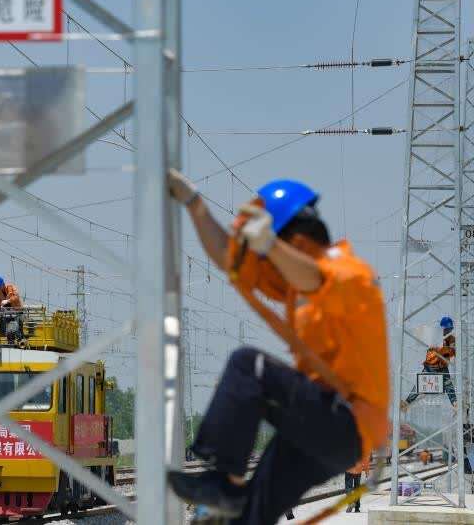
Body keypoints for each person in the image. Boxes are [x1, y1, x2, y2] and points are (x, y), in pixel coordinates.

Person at [165, 171, 389, 524]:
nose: (266, 264)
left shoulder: (350, 272)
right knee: (252, 514)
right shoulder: (294, 285)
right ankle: (233, 501)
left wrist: (269, 244)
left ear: (295, 240)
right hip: (323, 425)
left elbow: (317, 278)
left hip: (347, 420)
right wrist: (193, 203)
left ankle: (223, 479)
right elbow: (230, 259)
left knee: (248, 366)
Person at [402, 316, 456, 409]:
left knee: (448, 385)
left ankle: (455, 403)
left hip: (442, 367)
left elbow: (452, 352)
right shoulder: (435, 336)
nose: (447, 331)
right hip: (431, 365)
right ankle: (406, 402)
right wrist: (444, 349)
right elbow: (435, 349)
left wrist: (446, 350)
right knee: (420, 385)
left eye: (449, 329)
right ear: (442, 328)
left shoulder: (451, 339)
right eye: (446, 329)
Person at [0, 276, 24, 342]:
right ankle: (10, 342)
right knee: (9, 329)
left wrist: (8, 301)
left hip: (17, 311)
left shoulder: (11, 287)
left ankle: (20, 341)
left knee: (18, 327)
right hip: (8, 313)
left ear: (2, 284)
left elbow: (16, 297)